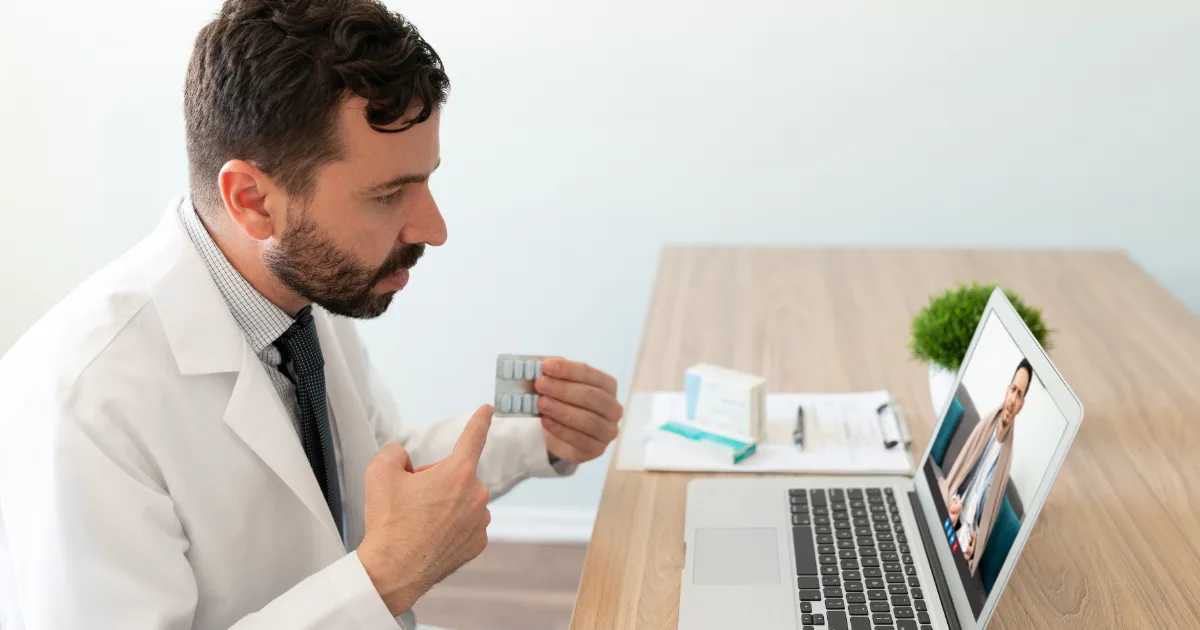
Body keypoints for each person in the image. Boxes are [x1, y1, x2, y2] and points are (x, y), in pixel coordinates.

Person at [0, 1, 624, 629]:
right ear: (253, 201)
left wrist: (535, 434)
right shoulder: (84, 404)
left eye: (425, 181)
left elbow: (371, 466)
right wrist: (384, 578)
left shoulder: (293, 289)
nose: (433, 229)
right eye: (386, 196)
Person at [938, 358, 1033, 575]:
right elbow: (957, 476)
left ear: (1021, 405)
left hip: (966, 528)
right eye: (1014, 390)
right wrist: (952, 505)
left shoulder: (1006, 458)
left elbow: (985, 515)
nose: (1013, 399)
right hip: (954, 506)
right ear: (1007, 390)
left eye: (1020, 395)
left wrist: (975, 539)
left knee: (959, 556)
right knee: (944, 517)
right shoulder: (985, 426)